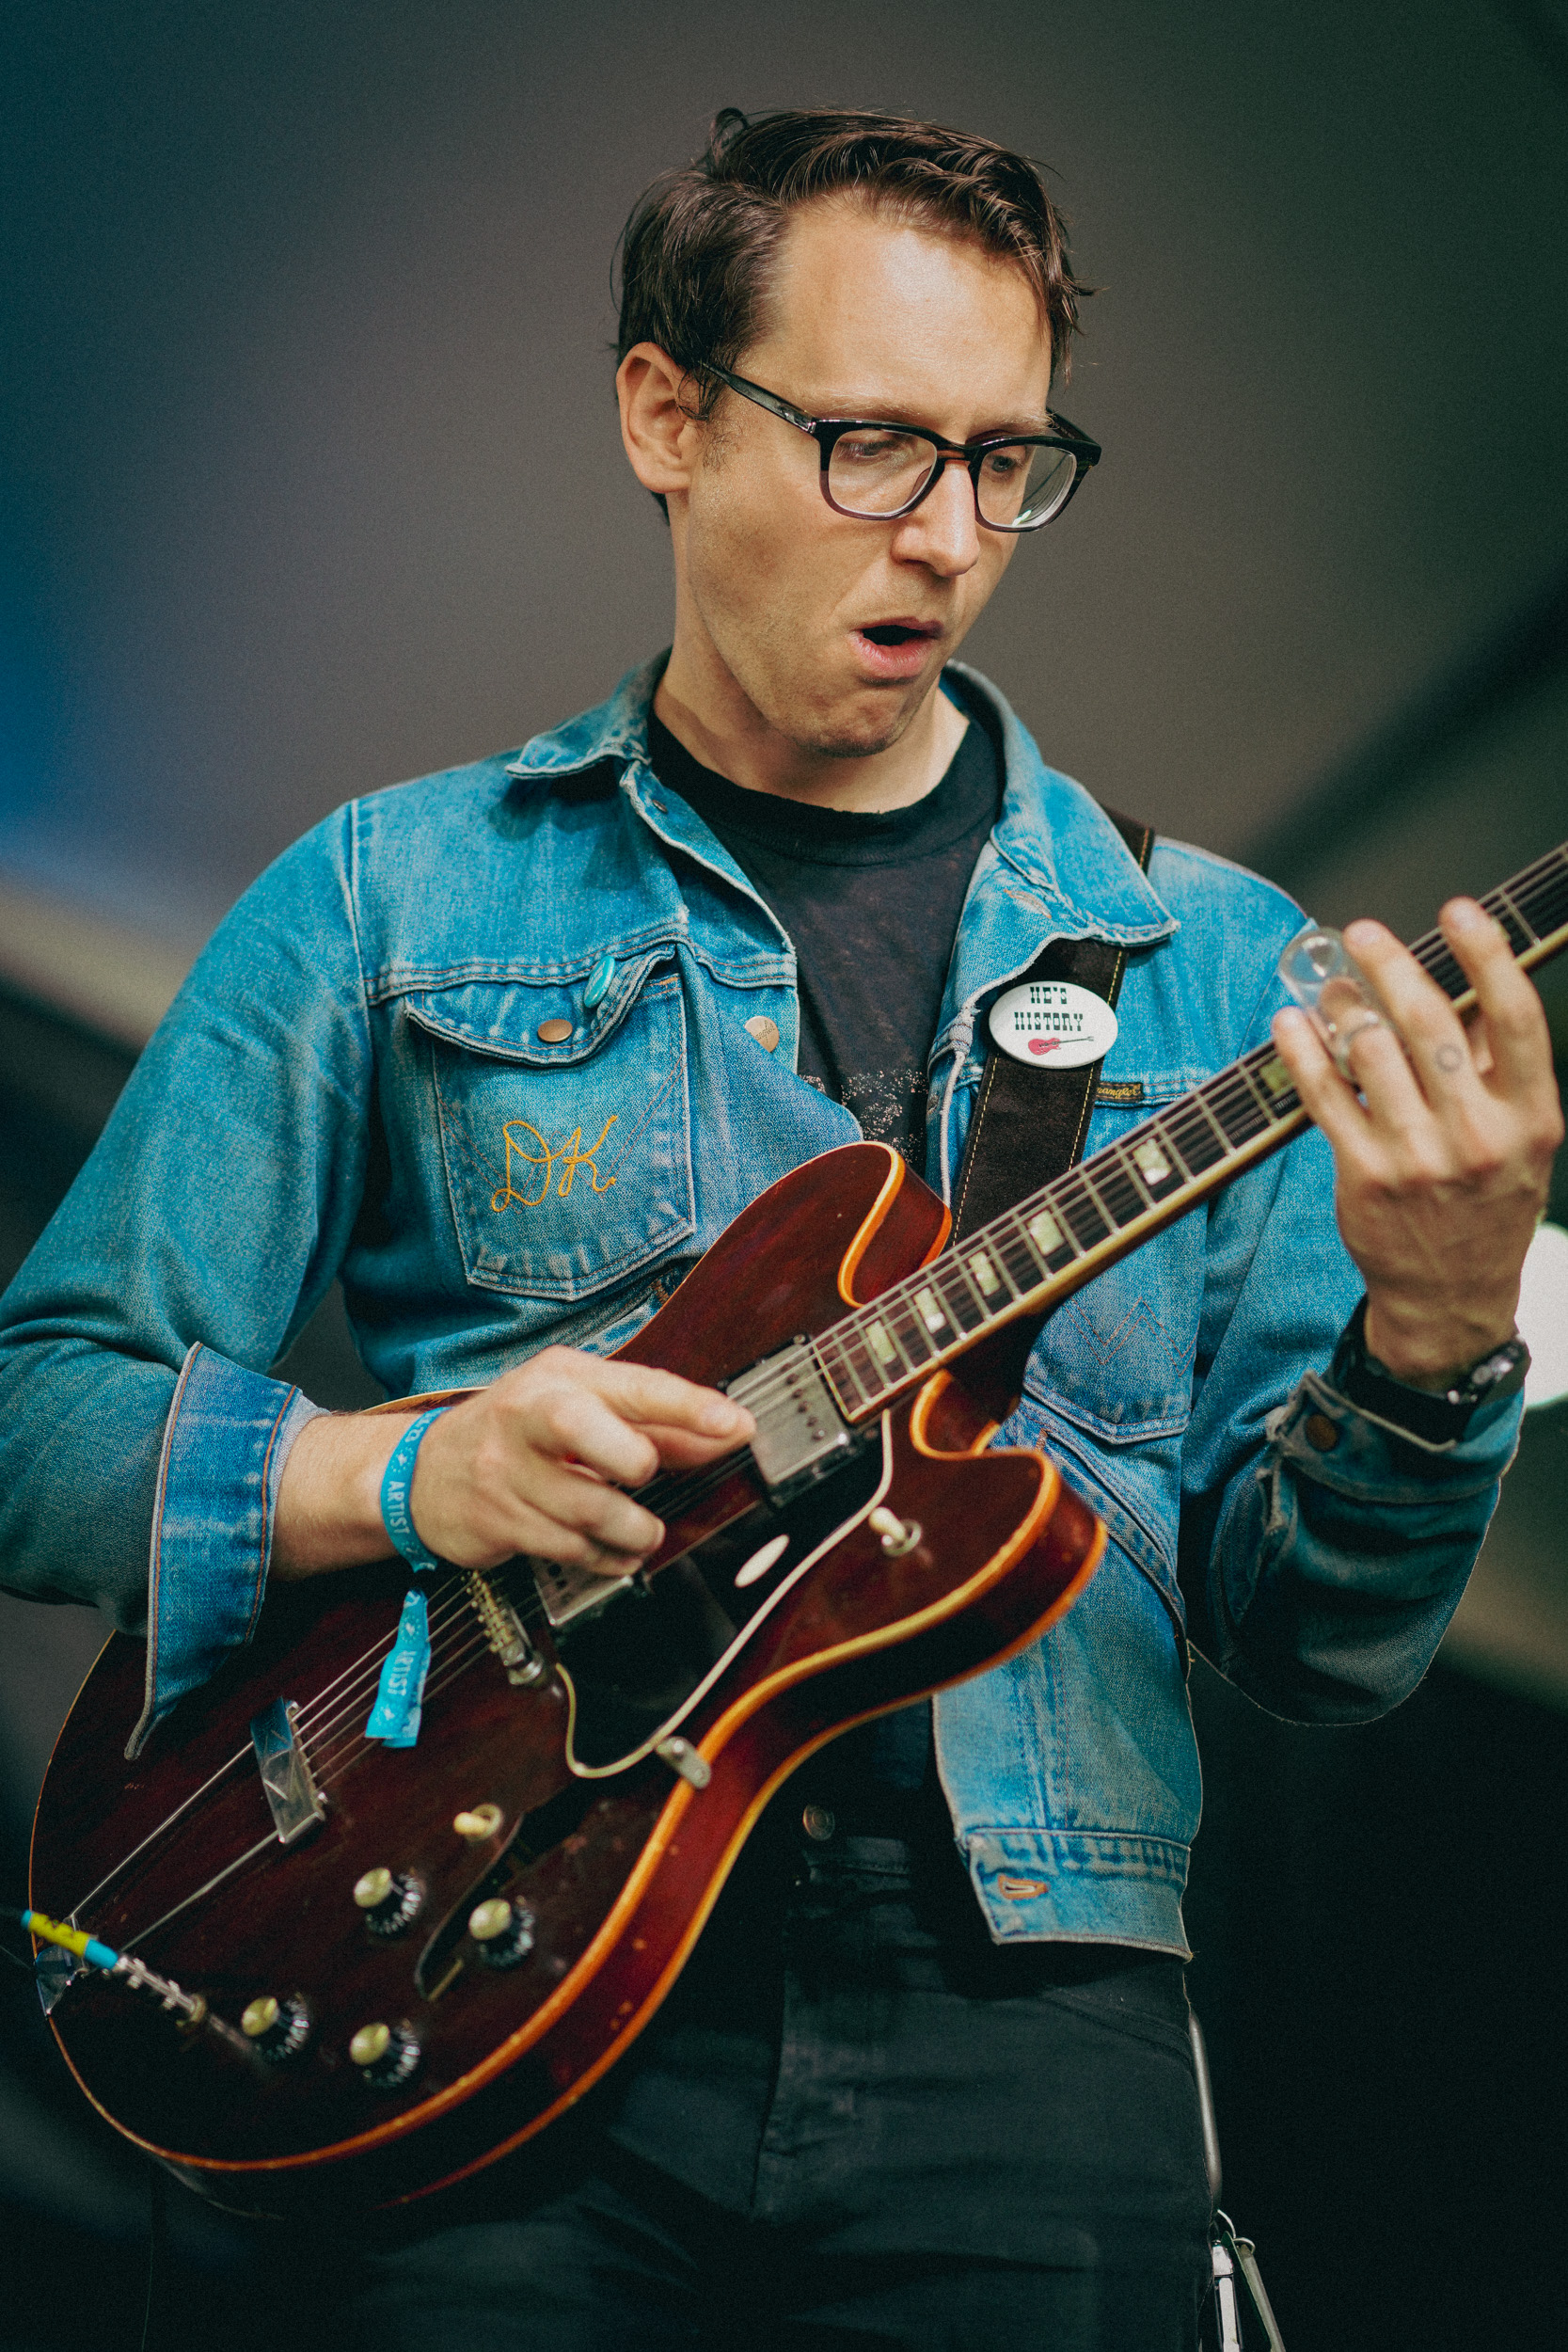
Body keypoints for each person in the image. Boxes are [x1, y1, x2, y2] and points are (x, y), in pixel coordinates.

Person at [0, 109, 1560, 2351]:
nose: (949, 535)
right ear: (665, 414)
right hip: (481, 1960)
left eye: (1006, 461)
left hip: (1032, 2015)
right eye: (872, 444)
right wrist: (407, 1468)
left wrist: (1437, 1331)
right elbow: (37, 1417)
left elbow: (1324, 1645)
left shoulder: (1217, 964)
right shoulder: (388, 897)